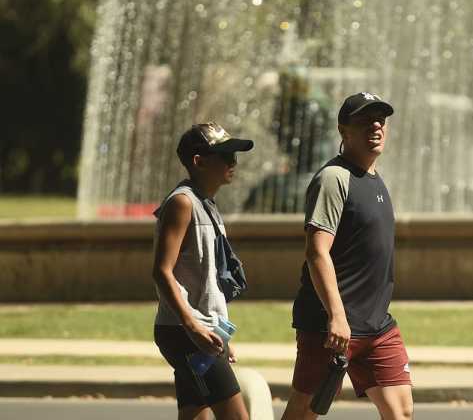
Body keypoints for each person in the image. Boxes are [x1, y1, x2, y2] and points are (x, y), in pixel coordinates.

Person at [281, 92, 413, 420]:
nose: (376, 125)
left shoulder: (375, 180)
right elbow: (317, 252)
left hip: (376, 324)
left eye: (381, 119)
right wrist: (336, 316)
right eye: (365, 120)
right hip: (330, 326)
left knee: (401, 411)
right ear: (344, 131)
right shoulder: (334, 178)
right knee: (304, 411)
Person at [152, 122, 254, 420]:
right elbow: (161, 271)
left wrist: (221, 331)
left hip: (204, 331)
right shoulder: (182, 203)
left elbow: (207, 280)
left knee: (196, 414)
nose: (233, 162)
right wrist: (193, 326)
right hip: (186, 333)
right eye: (225, 155)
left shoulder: (205, 203)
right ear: (199, 161)